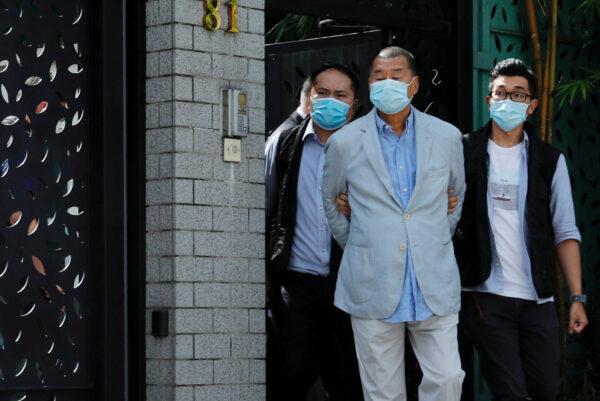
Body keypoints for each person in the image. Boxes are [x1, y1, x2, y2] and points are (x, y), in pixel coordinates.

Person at [322, 46, 466, 401]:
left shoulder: (447, 136)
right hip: (371, 279)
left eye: (396, 75)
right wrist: (361, 243)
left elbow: (455, 197)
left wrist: (430, 237)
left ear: (414, 85)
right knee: (382, 392)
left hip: (432, 277)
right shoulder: (345, 141)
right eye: (378, 76)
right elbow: (331, 201)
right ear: (369, 84)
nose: (386, 82)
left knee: (448, 378)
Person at [455, 58, 589, 401]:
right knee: (511, 392)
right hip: (486, 295)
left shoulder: (549, 160)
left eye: (518, 95)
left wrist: (577, 297)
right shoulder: (464, 151)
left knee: (545, 390)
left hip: (538, 299)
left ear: (532, 105)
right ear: (489, 101)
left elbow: (565, 231)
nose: (508, 101)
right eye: (501, 93)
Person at [265, 63, 364, 401]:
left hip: (350, 286)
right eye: (323, 93)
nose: (331, 101)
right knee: (289, 378)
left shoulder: (369, 150)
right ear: (309, 97)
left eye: (341, 95)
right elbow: (265, 211)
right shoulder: (284, 143)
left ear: (353, 105)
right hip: (297, 286)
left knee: (349, 381)